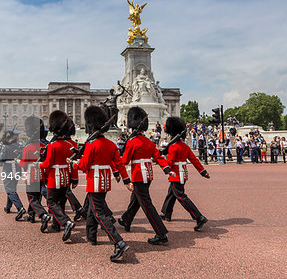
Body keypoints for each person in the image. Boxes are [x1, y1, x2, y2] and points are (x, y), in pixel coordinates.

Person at [68, 106, 130, 262]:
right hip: (104, 182)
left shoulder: (91, 145)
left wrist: (72, 163)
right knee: (90, 209)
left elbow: (84, 165)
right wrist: (126, 180)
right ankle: (92, 236)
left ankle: (118, 242)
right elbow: (120, 164)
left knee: (99, 213)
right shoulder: (111, 144)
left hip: (94, 182)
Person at [118, 107, 173, 245]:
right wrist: (167, 169)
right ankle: (126, 220)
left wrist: (113, 165)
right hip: (148, 175)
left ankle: (161, 233)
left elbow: (124, 161)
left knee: (147, 205)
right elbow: (158, 157)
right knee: (136, 199)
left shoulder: (132, 142)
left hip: (138, 175)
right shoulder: (149, 142)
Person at [160, 117, 211, 231]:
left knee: (181, 197)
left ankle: (199, 217)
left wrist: (159, 159)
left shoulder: (173, 147)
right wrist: (203, 172)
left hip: (176, 175)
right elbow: (194, 160)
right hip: (183, 173)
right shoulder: (185, 146)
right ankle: (166, 213)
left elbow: (169, 162)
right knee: (171, 193)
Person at [40, 111, 77, 240]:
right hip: (65, 177)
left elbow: (48, 164)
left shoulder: (53, 146)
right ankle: (56, 225)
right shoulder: (70, 145)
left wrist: (38, 165)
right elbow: (72, 163)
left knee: (51, 202)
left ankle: (66, 222)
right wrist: (74, 178)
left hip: (54, 178)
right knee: (61, 202)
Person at [18, 117, 51, 230]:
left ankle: (43, 214)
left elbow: (24, 164)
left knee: (32, 198)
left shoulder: (28, 148)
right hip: (41, 174)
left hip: (31, 174)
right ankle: (31, 215)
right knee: (37, 197)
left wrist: (17, 161)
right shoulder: (43, 146)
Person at [0, 129, 26, 221]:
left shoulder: (6, 146)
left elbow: (1, 159)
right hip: (17, 168)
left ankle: (20, 207)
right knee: (12, 188)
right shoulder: (19, 145)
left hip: (8, 169)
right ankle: (8, 207)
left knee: (9, 190)